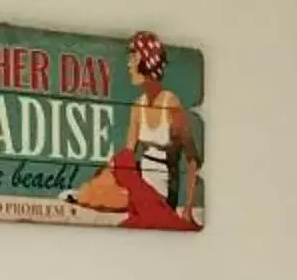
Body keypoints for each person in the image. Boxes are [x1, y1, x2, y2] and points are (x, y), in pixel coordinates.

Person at [69, 31, 202, 229]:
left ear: (147, 61)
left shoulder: (171, 104)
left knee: (97, 194)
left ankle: (85, 194)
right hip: (139, 182)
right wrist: (108, 173)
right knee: (108, 176)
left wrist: (188, 208)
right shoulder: (137, 106)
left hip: (160, 192)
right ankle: (86, 193)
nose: (129, 65)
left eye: (133, 58)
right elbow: (128, 155)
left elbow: (192, 159)